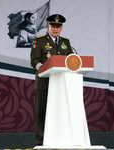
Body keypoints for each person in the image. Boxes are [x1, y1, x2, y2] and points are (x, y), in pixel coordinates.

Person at [30, 14, 73, 146]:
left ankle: (60, 139)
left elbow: (70, 60)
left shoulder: (65, 42)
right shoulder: (39, 41)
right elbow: (34, 61)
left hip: (61, 84)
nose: (56, 29)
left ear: (61, 28)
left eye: (58, 27)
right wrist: (43, 69)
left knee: (60, 112)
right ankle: (41, 141)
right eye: (53, 26)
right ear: (48, 26)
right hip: (44, 83)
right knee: (41, 112)